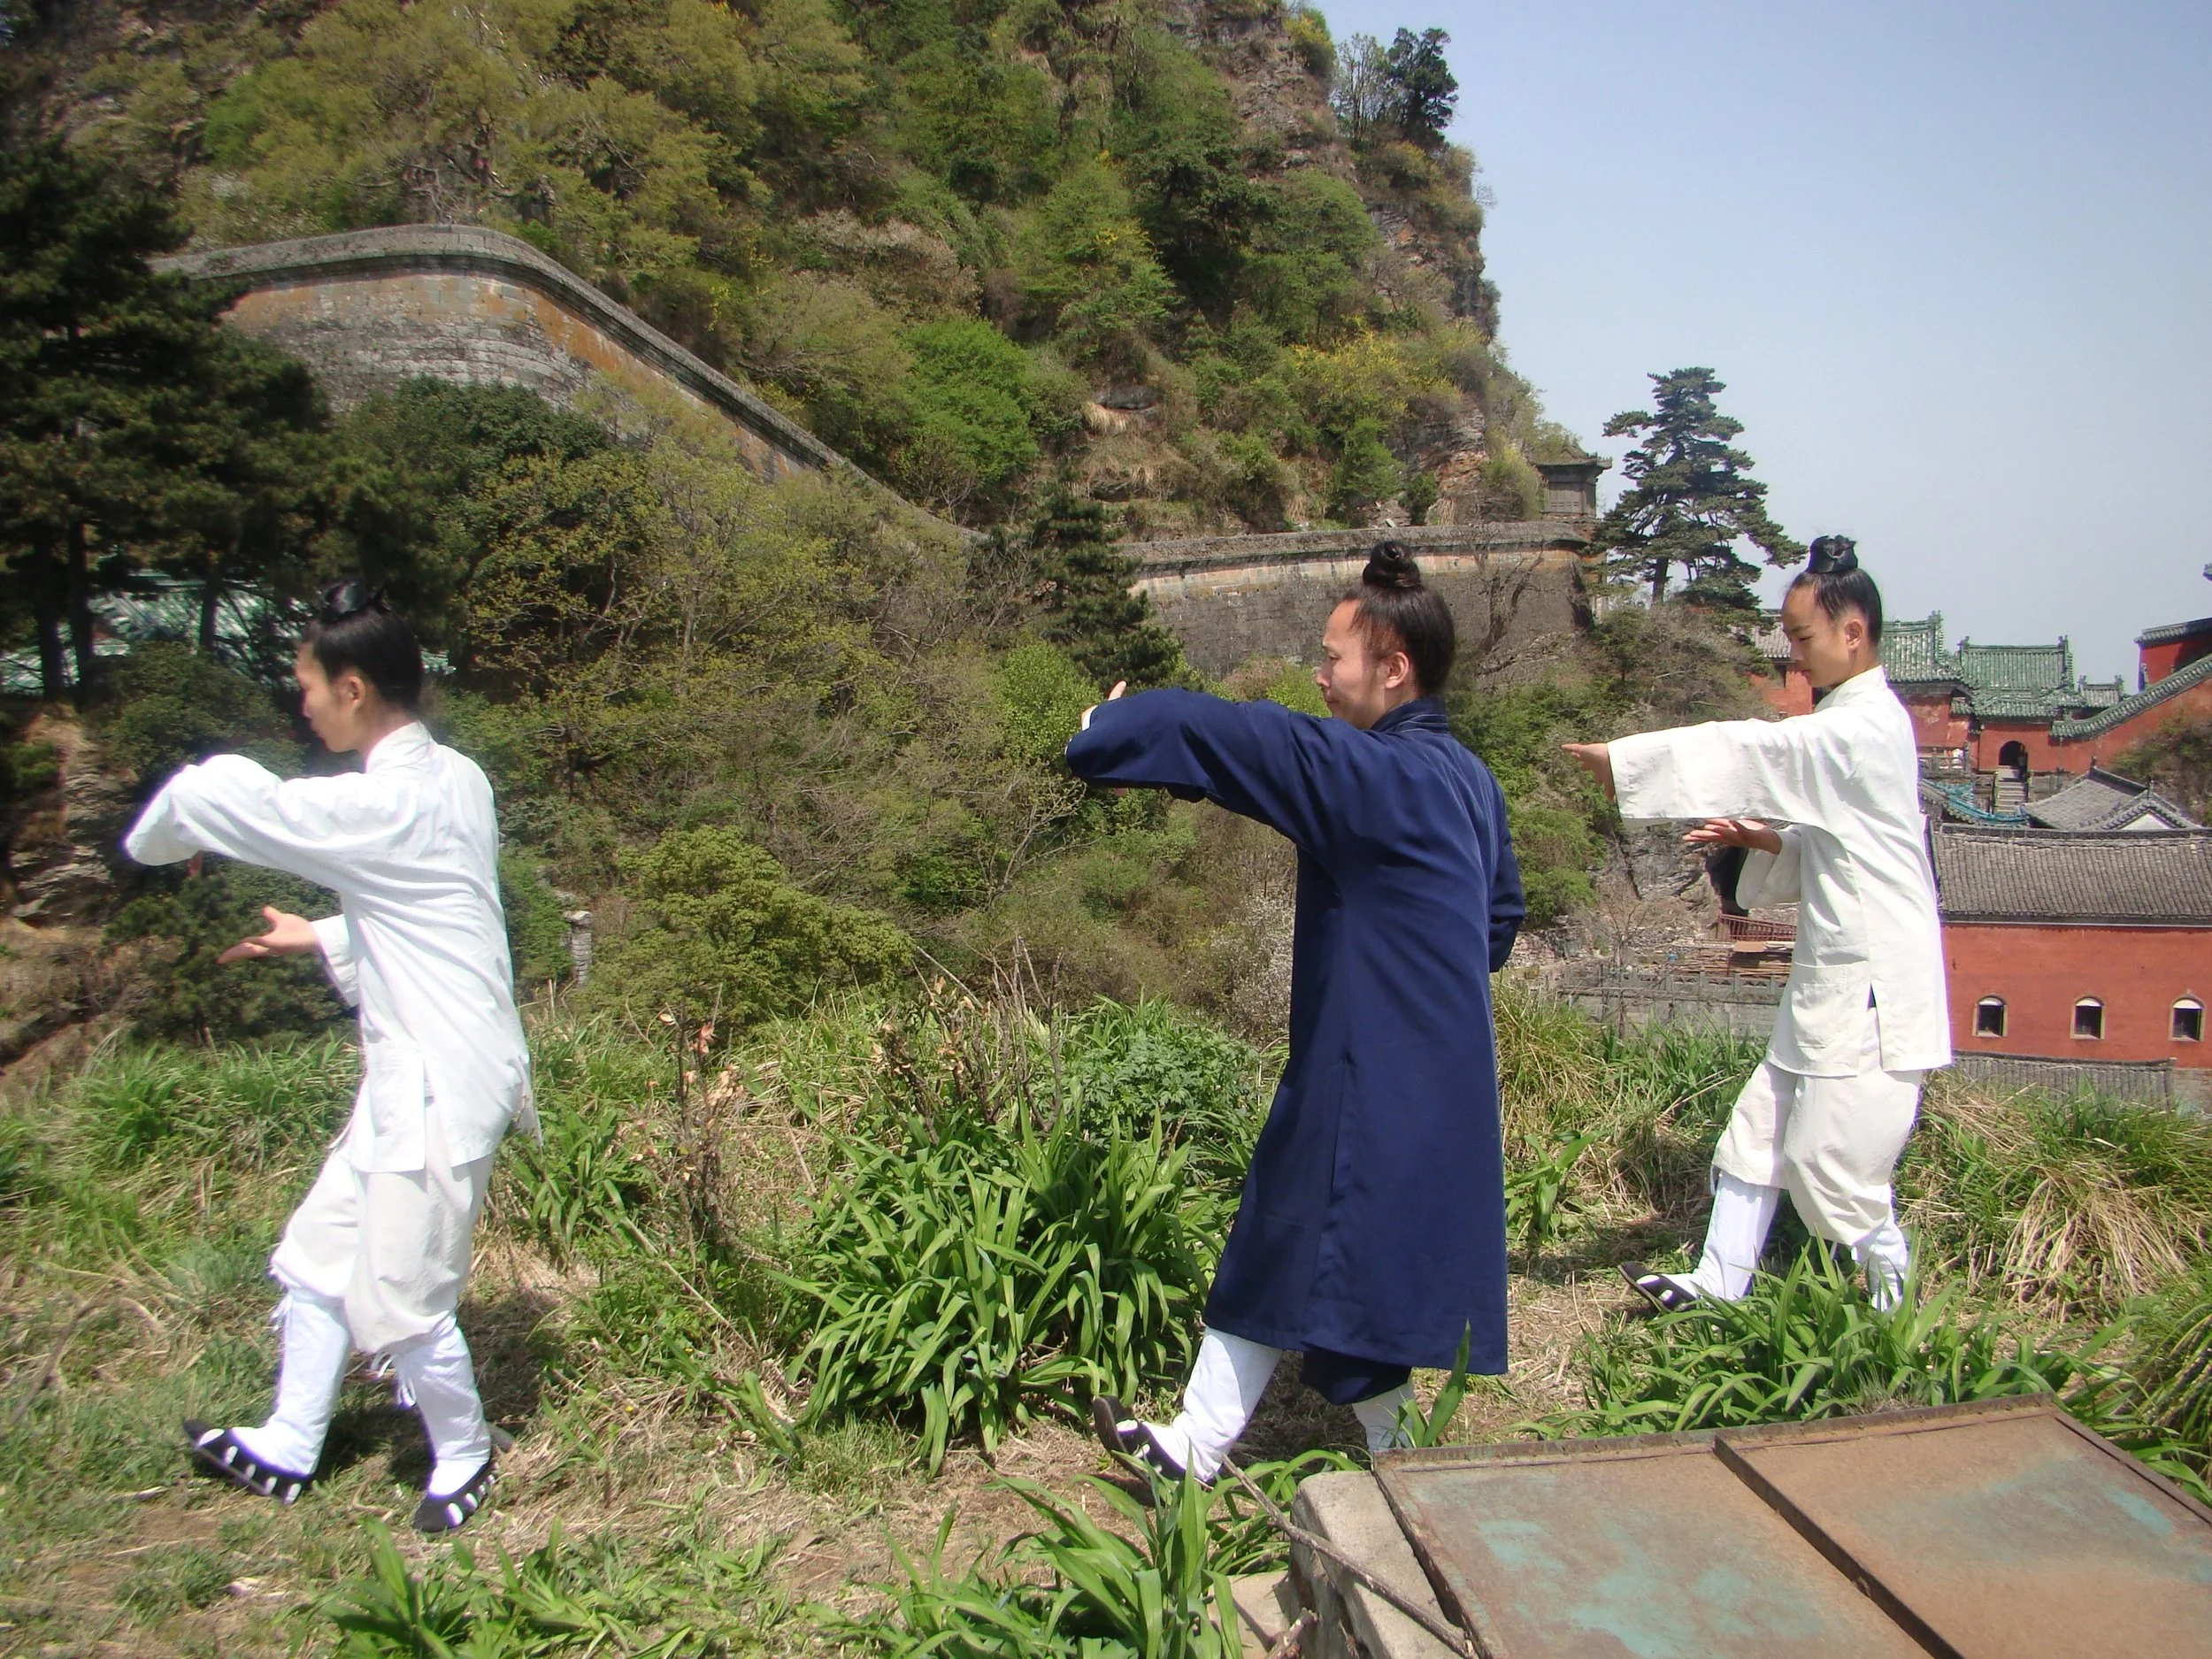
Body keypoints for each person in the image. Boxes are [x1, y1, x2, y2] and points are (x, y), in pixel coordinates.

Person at [1068, 544, 1525, 1481]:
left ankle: (1208, 1448)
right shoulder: (1470, 781)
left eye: (1333, 659)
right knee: (1344, 1248)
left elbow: (1239, 739)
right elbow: (1500, 916)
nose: (1318, 676)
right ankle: (1379, 1455)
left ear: (1392, 669)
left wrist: (1109, 732)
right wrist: (1431, 994)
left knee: (1293, 1229)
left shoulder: (1374, 775)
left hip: (1363, 1064)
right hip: (1436, 1069)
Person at [123, 579, 534, 1533]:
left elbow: (225, 799)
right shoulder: (456, 777)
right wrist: (318, 936)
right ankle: (288, 1440)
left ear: (352, 689)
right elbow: (432, 905)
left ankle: (466, 1453)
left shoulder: (386, 807)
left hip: (438, 1082)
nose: (298, 704)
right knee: (316, 1260)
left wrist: (152, 842)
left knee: (402, 1293)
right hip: (415, 1070)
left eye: (305, 685)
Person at [1565, 537, 1948, 1312]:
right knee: (1756, 1134)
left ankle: (1895, 1302)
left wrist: (1631, 763)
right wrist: (1765, 838)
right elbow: (1846, 844)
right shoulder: (1856, 721)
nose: (1797, 659)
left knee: (1828, 1163)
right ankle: (1720, 1281)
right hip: (1831, 975)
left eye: (1804, 639)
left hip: (1873, 986)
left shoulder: (1861, 726)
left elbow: (1762, 748)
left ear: (1854, 631)